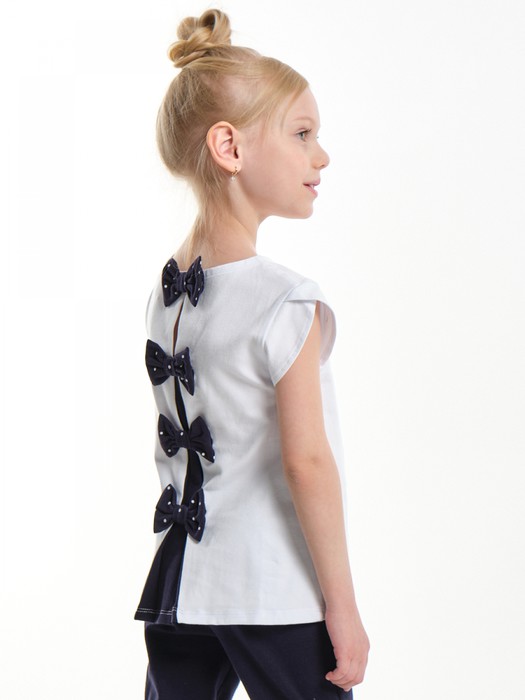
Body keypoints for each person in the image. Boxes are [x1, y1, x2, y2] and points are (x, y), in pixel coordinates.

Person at [135, 8, 370, 699]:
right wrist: (343, 607)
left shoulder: (166, 295)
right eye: (301, 134)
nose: (320, 156)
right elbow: (307, 461)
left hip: (180, 583)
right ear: (229, 146)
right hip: (271, 591)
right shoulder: (284, 300)